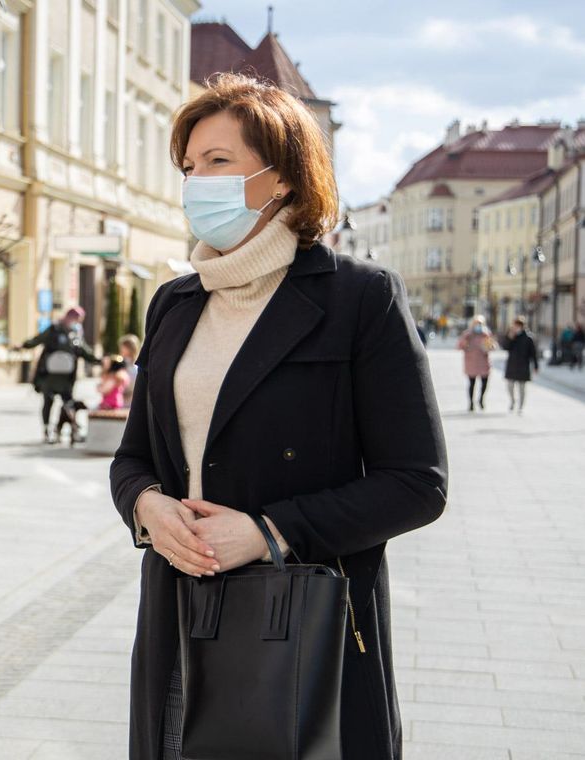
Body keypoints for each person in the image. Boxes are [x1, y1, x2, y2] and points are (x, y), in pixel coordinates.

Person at [109, 73, 447, 760]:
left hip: (304, 627)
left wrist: (270, 532)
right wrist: (147, 508)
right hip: (180, 611)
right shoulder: (175, 303)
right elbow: (134, 455)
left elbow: (418, 482)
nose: (195, 182)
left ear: (283, 178)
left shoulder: (361, 299)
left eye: (218, 162)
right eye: (189, 166)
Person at [22, 306, 99, 443]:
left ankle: (73, 431)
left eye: (79, 320)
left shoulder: (76, 333)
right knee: (48, 402)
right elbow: (38, 339)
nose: (76, 321)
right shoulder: (54, 329)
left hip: (67, 378)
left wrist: (98, 360)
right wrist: (24, 345)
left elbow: (84, 351)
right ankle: (47, 431)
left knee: (69, 403)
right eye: (75, 318)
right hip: (50, 376)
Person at [457, 315, 498, 411]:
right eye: (476, 323)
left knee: (484, 383)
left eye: (480, 324)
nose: (478, 326)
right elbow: (459, 346)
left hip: (483, 362)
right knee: (472, 384)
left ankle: (481, 399)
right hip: (471, 363)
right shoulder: (467, 334)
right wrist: (465, 342)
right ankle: (471, 403)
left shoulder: (486, 334)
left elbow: (493, 347)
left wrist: (490, 346)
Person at [502, 316, 539, 413]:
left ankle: (521, 406)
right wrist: (510, 337)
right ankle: (513, 401)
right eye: (515, 325)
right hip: (512, 365)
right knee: (510, 386)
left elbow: (533, 353)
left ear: (522, 326)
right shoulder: (511, 335)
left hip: (523, 366)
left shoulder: (528, 338)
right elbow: (505, 347)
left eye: (518, 325)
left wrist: (536, 366)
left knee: (522, 388)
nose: (516, 327)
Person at [119, 333, 141, 406]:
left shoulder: (134, 366)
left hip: (129, 401)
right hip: (123, 399)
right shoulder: (122, 363)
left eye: (123, 347)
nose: (121, 349)